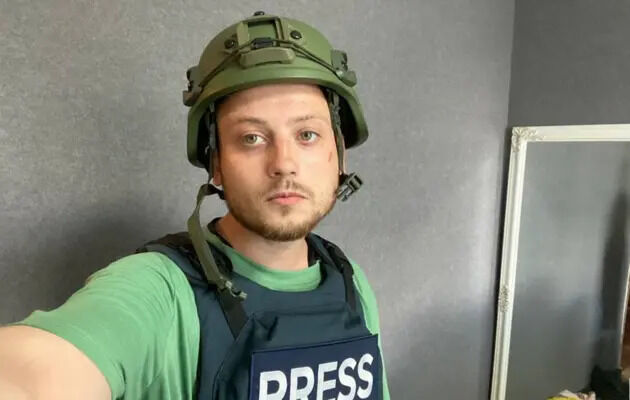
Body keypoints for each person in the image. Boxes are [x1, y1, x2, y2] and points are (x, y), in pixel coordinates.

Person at [0, 12, 390, 400]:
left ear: (339, 153)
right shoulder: (159, 290)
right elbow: (34, 372)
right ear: (216, 163)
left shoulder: (350, 282)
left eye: (307, 134)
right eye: (251, 138)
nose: (283, 163)